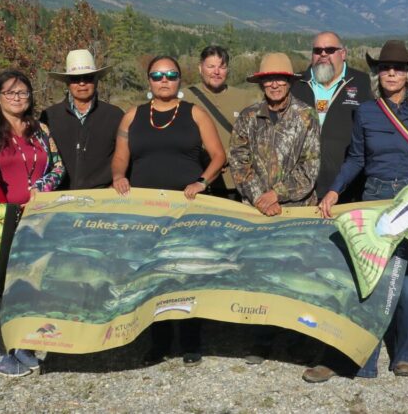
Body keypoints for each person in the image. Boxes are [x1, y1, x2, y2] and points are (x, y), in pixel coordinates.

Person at [315, 40, 408, 380]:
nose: (392, 73)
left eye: (398, 68)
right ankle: (363, 353)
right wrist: (335, 189)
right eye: (385, 68)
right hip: (375, 196)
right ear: (377, 73)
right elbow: (357, 158)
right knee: (371, 277)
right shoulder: (366, 111)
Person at [111, 55, 227, 367]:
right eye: (157, 75)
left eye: (171, 74)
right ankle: (158, 342)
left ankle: (190, 341)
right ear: (148, 80)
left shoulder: (195, 114)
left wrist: (203, 181)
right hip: (147, 211)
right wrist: (118, 176)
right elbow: (120, 157)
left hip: (186, 209)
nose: (164, 80)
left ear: (179, 78)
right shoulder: (133, 116)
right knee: (153, 275)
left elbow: (218, 156)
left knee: (185, 273)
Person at [0, 71, 65, 377]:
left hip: (36, 217)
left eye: (23, 93)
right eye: (10, 93)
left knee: (33, 283)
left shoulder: (39, 131)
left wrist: (43, 186)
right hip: (2, 219)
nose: (17, 98)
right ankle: (0, 354)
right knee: (10, 288)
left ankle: (22, 344)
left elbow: (58, 165)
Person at [230, 52, 320, 214]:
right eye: (268, 79)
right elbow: (239, 162)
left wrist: (276, 194)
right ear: (261, 83)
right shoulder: (247, 117)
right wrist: (259, 198)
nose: (274, 85)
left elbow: (309, 168)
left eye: (280, 78)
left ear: (289, 82)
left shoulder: (306, 116)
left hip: (297, 211)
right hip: (255, 209)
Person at [292, 31, 373, 203]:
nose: (323, 54)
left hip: (347, 188)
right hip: (300, 187)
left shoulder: (362, 83)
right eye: (317, 50)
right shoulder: (296, 84)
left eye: (330, 50)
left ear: (343, 54)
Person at [42, 49, 123, 189]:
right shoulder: (49, 116)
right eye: (75, 79)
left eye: (87, 77)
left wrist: (117, 181)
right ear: (67, 83)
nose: (82, 83)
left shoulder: (115, 115)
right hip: (60, 197)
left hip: (101, 197)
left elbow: (126, 156)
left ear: (96, 80)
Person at [182, 45, 252, 200]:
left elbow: (255, 138)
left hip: (235, 183)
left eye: (222, 67)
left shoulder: (244, 98)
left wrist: (226, 156)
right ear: (200, 68)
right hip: (195, 182)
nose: (216, 72)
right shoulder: (184, 97)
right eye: (211, 66)